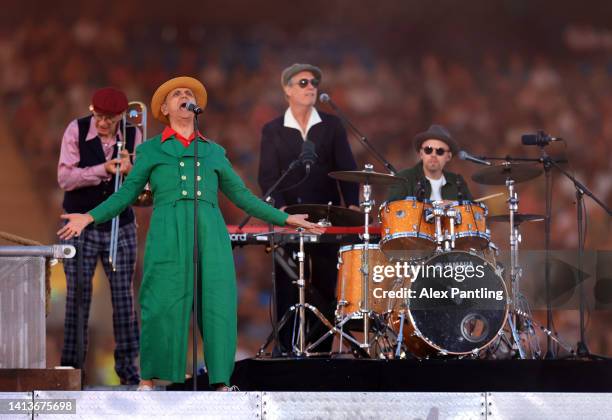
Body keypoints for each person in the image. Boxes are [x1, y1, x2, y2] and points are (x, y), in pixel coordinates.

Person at [58, 76, 321, 391]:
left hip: (210, 229)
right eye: (176, 94)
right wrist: (89, 216)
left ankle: (221, 380)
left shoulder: (213, 152)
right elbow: (126, 194)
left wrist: (286, 219)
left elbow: (243, 196)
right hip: (167, 228)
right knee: (159, 299)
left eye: (188, 93)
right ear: (166, 109)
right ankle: (150, 376)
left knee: (218, 302)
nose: (184, 96)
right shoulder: (151, 150)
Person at [258, 63, 360, 353]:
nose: (311, 86)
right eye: (303, 82)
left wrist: (350, 205)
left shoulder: (331, 126)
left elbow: (347, 168)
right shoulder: (273, 130)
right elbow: (267, 178)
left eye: (314, 82)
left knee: (328, 285)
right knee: (287, 286)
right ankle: (287, 350)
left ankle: (321, 351)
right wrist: (280, 213)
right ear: (287, 90)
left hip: (327, 219)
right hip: (289, 220)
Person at [57, 87, 142, 385]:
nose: (102, 123)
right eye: (98, 116)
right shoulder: (76, 129)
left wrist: (131, 170)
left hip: (121, 225)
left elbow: (139, 185)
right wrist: (103, 169)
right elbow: (65, 178)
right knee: (77, 296)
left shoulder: (134, 135)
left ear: (120, 116)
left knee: (123, 300)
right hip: (79, 223)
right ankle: (71, 370)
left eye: (109, 118)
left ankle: (130, 373)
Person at [387, 124, 473, 202]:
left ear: (448, 156)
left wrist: (455, 207)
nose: (433, 155)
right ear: (421, 153)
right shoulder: (403, 178)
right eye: (428, 150)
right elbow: (391, 212)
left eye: (440, 151)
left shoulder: (458, 182)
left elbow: (472, 215)